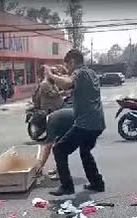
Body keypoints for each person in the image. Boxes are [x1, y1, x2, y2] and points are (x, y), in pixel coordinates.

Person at [41, 49, 105, 196]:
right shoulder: (91, 73)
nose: (68, 70)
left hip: (85, 123)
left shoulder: (80, 73)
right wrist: (62, 76)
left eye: (68, 65)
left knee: (59, 149)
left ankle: (67, 186)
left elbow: (68, 83)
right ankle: (97, 183)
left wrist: (50, 75)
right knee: (85, 151)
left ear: (72, 62)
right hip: (98, 122)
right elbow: (74, 86)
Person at [32, 66, 69, 176]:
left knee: (58, 145)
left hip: (58, 115)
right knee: (53, 144)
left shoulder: (52, 83)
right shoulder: (45, 84)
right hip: (52, 116)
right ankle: (53, 169)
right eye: (53, 73)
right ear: (48, 74)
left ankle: (58, 169)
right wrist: (63, 93)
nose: (56, 75)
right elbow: (52, 95)